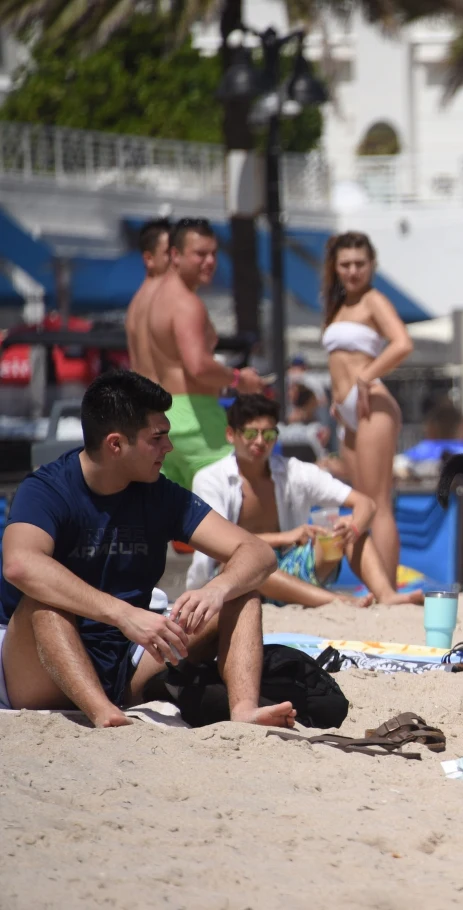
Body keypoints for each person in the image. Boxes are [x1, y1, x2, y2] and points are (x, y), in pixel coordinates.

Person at [0, 371, 294, 729]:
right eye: (158, 438)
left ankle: (244, 711)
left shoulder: (158, 493)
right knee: (43, 604)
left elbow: (258, 552)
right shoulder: (47, 489)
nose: (168, 447)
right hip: (41, 668)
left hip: (129, 658)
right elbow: (20, 565)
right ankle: (103, 713)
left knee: (241, 593)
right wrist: (122, 614)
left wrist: (216, 589)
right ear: (115, 444)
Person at [187, 394, 423, 608]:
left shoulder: (294, 470)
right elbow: (217, 546)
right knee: (252, 563)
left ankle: (386, 594)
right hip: (233, 579)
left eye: (268, 434)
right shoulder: (210, 479)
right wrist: (285, 537)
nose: (260, 441)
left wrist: (352, 526)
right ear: (231, 434)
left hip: (292, 564)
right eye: (251, 433)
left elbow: (366, 504)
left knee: (350, 529)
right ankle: (335, 600)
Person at [129, 218, 264, 489]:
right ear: (175, 256)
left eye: (214, 253)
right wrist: (239, 379)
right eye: (200, 254)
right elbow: (198, 366)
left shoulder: (152, 299)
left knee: (180, 520)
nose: (210, 261)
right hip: (195, 417)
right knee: (239, 498)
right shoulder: (187, 304)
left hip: (162, 414)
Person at [321, 232, 414, 585]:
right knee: (361, 504)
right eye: (345, 264)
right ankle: (374, 585)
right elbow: (339, 360)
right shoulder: (337, 305)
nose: (353, 270)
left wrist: (366, 377)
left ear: (372, 265)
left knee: (378, 503)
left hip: (372, 402)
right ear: (335, 267)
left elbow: (402, 343)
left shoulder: (373, 300)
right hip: (347, 410)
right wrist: (337, 399)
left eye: (360, 263)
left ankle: (386, 587)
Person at [124, 218, 171, 337]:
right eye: (168, 253)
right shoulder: (158, 303)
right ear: (149, 259)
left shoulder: (143, 300)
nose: (176, 259)